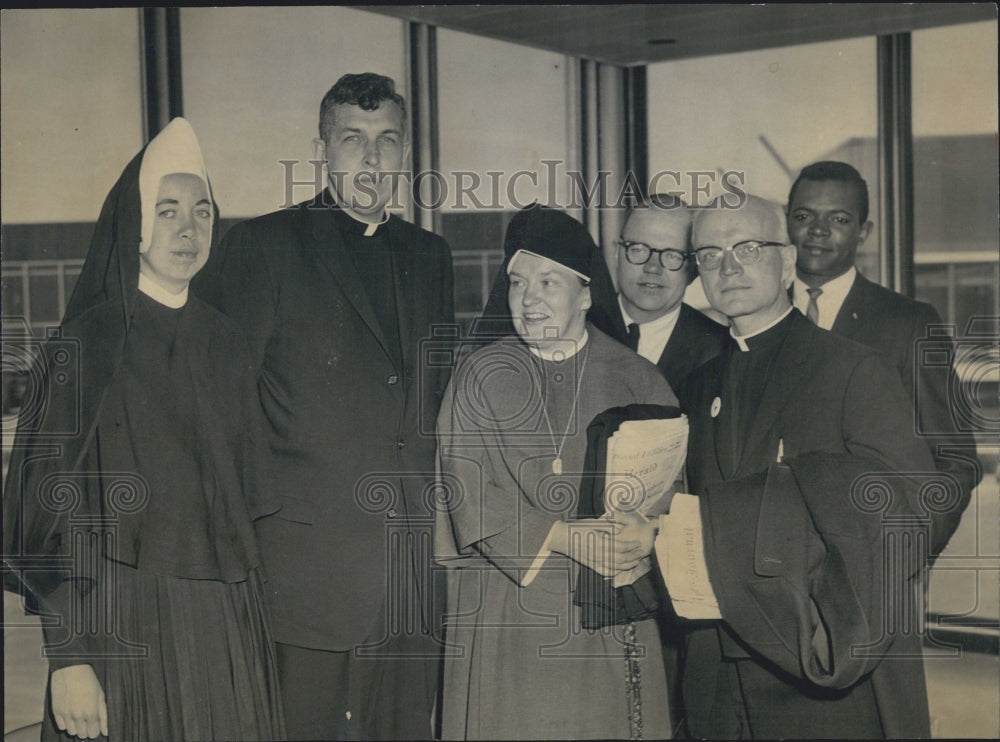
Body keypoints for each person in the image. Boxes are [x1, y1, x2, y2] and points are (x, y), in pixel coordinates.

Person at [192, 73, 454, 740]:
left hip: (409, 581)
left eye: (387, 141)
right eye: (353, 140)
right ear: (322, 150)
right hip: (300, 582)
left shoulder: (429, 257)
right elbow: (218, 412)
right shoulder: (264, 247)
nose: (371, 159)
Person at [3, 118, 284, 741]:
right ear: (133, 225)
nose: (189, 229)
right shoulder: (84, 344)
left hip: (223, 628)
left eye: (203, 211)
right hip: (115, 625)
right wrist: (68, 656)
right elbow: (43, 520)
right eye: (168, 210)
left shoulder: (228, 343)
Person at [664, 194, 940, 738]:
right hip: (717, 675)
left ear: (787, 262)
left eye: (747, 247)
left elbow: (910, 513)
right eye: (710, 254)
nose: (729, 266)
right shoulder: (696, 386)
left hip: (818, 663)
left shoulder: (852, 369)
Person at [435, 205, 676, 740]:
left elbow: (672, 495)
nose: (529, 298)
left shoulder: (639, 379)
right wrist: (562, 535)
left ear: (586, 294)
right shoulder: (479, 373)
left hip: (608, 614)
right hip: (509, 612)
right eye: (518, 283)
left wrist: (650, 532)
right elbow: (466, 490)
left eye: (549, 281)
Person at [786, 161, 978, 553]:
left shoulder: (908, 323)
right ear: (785, 221)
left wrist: (911, 551)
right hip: (772, 571)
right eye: (804, 215)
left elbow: (955, 460)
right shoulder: (756, 316)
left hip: (874, 564)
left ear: (864, 232)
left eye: (838, 218)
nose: (818, 230)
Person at [609, 194, 728, 392]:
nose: (653, 268)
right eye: (639, 249)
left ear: (692, 268)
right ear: (617, 253)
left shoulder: (722, 352)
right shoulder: (577, 328)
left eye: (672, 255)